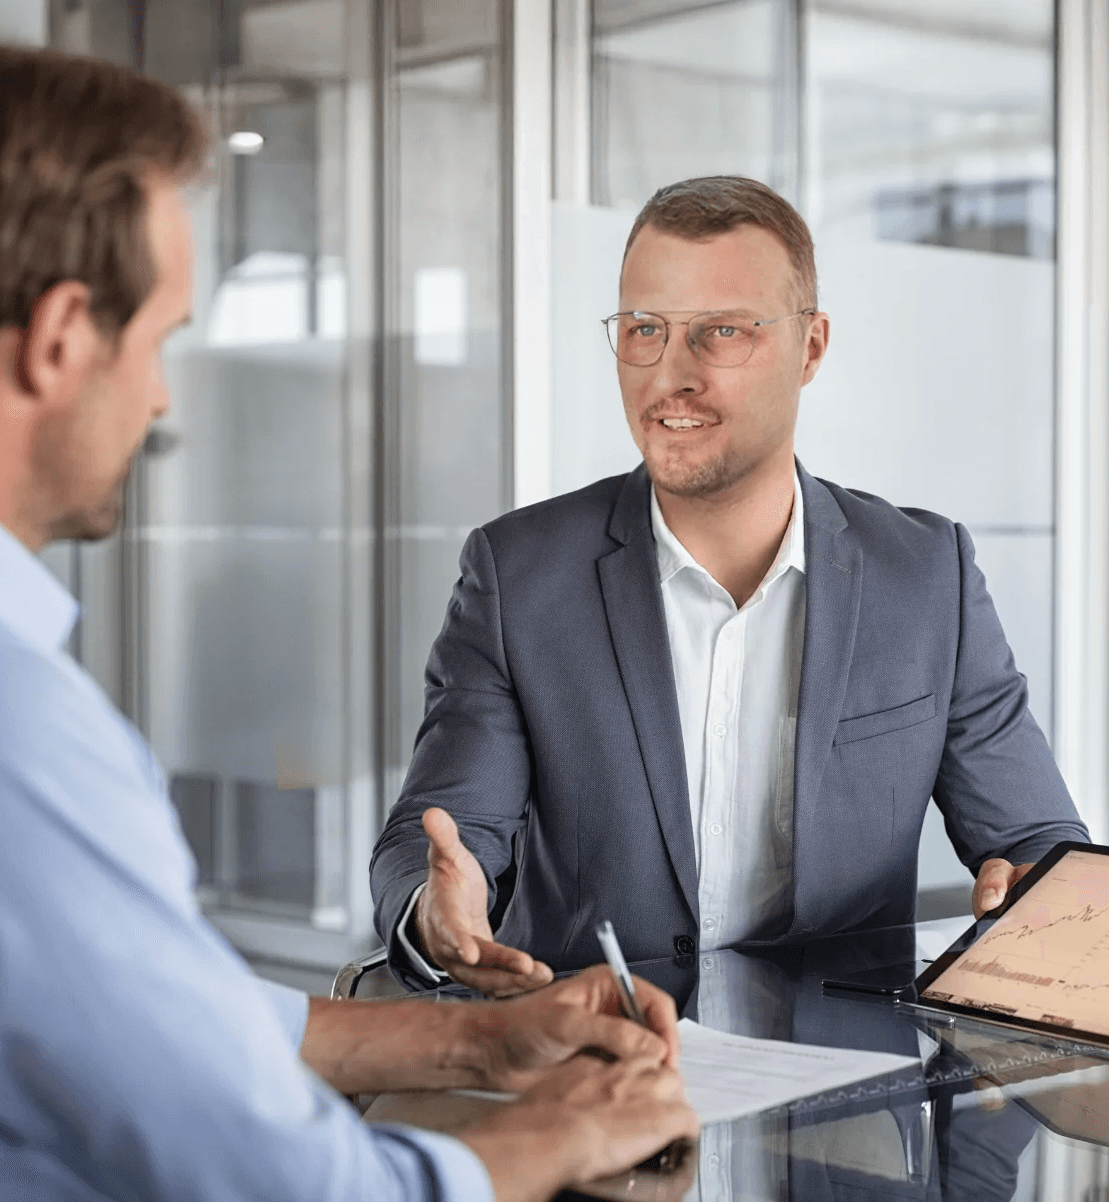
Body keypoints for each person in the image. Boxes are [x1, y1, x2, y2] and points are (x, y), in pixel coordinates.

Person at [0, 45, 698, 1202]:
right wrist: (560, 1134)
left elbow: (156, 1015)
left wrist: (476, 1040)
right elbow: (297, 1183)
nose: (163, 394)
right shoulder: (25, 735)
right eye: (161, 338)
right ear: (63, 335)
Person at [371, 174, 1089, 996]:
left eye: (720, 331)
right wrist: (436, 909)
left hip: (845, 1062)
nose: (669, 375)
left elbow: (1037, 843)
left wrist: (1032, 894)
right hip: (596, 1052)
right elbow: (442, 834)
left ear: (810, 347)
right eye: (644, 329)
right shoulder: (519, 575)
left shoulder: (925, 576)